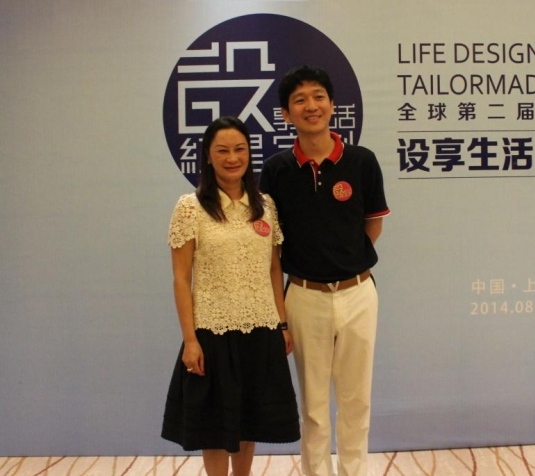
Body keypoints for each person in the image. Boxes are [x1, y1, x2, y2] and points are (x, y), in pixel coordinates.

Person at [259, 65, 390, 476]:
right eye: (299, 100)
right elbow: (271, 245)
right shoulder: (276, 170)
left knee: (356, 401)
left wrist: (347, 260)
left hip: (358, 293)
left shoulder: (362, 161)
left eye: (318, 96)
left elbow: (373, 223)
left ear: (332, 105)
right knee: (314, 407)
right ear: (286, 114)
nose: (311, 106)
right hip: (303, 296)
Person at [161, 116, 300, 476]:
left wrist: (282, 323)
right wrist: (190, 339)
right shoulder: (190, 207)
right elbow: (181, 278)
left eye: (240, 149)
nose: (232, 157)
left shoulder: (265, 205)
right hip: (212, 331)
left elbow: (274, 269)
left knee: (250, 420)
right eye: (222, 150)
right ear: (208, 156)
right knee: (214, 425)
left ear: (249, 154)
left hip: (261, 328)